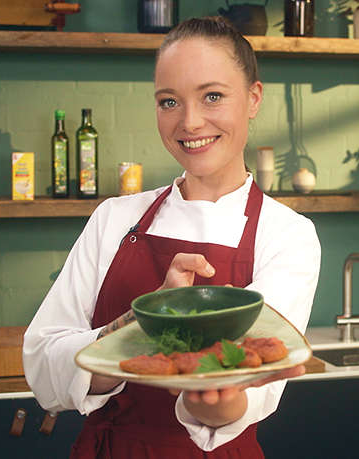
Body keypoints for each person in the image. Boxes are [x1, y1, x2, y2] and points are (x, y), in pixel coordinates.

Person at [23, 16, 322, 458]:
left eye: (213, 96)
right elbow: (43, 366)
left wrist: (218, 399)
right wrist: (147, 321)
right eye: (169, 102)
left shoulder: (287, 234)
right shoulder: (114, 218)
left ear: (254, 98)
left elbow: (242, 401)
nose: (190, 122)